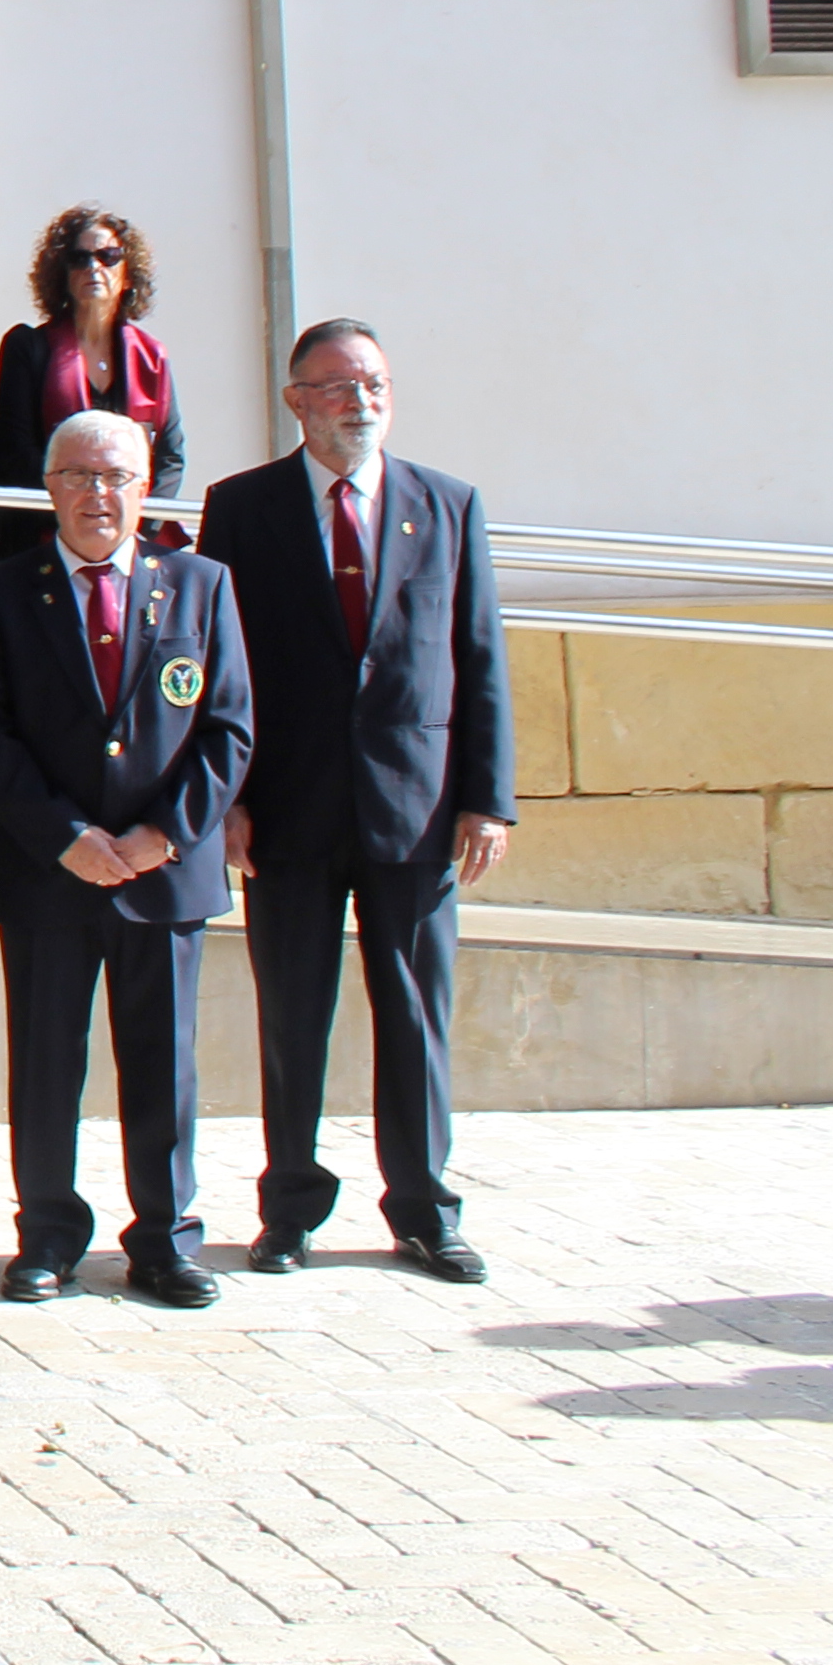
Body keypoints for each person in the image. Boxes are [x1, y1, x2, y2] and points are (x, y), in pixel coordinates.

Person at [205, 320, 511, 1281]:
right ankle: (289, 1205)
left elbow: (480, 659)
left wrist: (487, 800)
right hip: (288, 812)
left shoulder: (447, 505)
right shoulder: (242, 509)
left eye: (372, 383)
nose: (358, 401)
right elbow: (224, 668)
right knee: (293, 1014)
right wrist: (229, 800)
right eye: (336, 386)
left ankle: (424, 1208)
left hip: (414, 813)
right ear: (296, 399)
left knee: (416, 1015)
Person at [0, 410, 252, 1307]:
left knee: (164, 1064)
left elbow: (228, 728)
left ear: (145, 487)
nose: (99, 494)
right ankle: (46, 1233)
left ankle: (166, 1238)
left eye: (117, 477)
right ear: (49, 489)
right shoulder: (2, 593)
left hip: (162, 872)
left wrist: (161, 836)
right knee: (47, 1062)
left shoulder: (200, 585)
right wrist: (66, 839)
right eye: (80, 476)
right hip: (49, 873)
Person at [0, 205, 186, 502]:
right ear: (63, 274)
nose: (93, 268)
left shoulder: (153, 357)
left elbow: (169, 457)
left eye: (108, 257)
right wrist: (82, 506)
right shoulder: (28, 347)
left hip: (130, 524)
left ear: (128, 275)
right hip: (47, 521)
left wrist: (138, 521)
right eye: (78, 259)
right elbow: (13, 451)